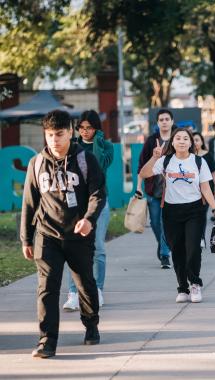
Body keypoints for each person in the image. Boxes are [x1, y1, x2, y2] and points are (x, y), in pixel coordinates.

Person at [20, 110, 106, 358]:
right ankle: (47, 340)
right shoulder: (36, 163)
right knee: (46, 288)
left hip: (79, 234)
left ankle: (91, 324)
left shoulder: (85, 160)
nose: (54, 140)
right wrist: (26, 238)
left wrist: (89, 220)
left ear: (70, 132)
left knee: (85, 284)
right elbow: (29, 202)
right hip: (47, 235)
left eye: (59, 134)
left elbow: (98, 193)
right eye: (49, 135)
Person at [139, 128, 215, 303]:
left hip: (195, 210)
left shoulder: (199, 162)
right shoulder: (165, 160)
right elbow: (143, 174)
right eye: (178, 138)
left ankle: (195, 283)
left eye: (186, 138)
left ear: (191, 143)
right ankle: (182, 288)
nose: (182, 141)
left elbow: (205, 188)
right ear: (172, 142)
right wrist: (155, 157)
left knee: (193, 248)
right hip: (171, 211)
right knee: (177, 250)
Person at [63, 110, 114, 311]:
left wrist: (98, 141)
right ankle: (73, 293)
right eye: (82, 127)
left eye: (89, 128)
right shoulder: (72, 147)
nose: (85, 131)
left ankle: (97, 290)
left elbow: (101, 164)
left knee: (98, 249)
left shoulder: (106, 146)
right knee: (74, 248)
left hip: (99, 201)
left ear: (96, 129)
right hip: (76, 203)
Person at [137, 109, 173, 269]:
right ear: (157, 123)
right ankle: (162, 245)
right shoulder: (151, 141)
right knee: (155, 224)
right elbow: (141, 166)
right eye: (161, 119)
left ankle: (165, 255)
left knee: (165, 223)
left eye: (167, 119)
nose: (164, 122)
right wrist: (138, 187)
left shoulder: (178, 139)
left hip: (172, 192)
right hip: (153, 190)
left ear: (172, 121)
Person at [193, 132, 215, 248]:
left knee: (201, 214)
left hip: (206, 191)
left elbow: (214, 173)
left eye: (197, 140)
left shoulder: (207, 155)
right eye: (193, 140)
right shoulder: (187, 157)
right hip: (192, 191)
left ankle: (201, 237)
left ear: (202, 142)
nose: (195, 142)